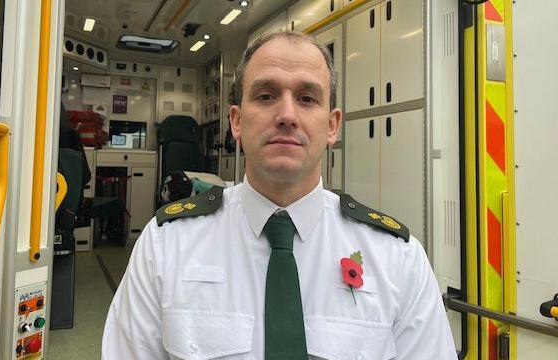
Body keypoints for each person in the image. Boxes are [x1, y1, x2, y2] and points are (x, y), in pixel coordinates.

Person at [102, 30, 457, 359]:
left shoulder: (397, 259)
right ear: (237, 122)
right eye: (266, 95)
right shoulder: (167, 246)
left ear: (332, 126)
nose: (287, 115)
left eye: (306, 98)